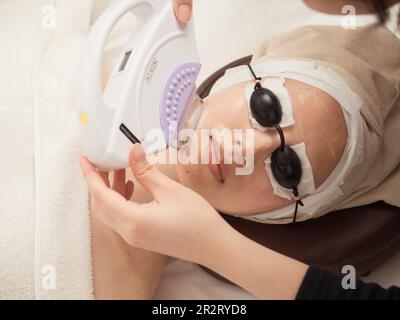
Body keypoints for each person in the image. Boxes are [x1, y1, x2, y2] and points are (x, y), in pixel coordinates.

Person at [80, 0, 400, 299]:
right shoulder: (94, 74)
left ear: (279, 220)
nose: (245, 150)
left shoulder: (120, 280)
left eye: (286, 170)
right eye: (266, 108)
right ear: (233, 78)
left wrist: (213, 247)